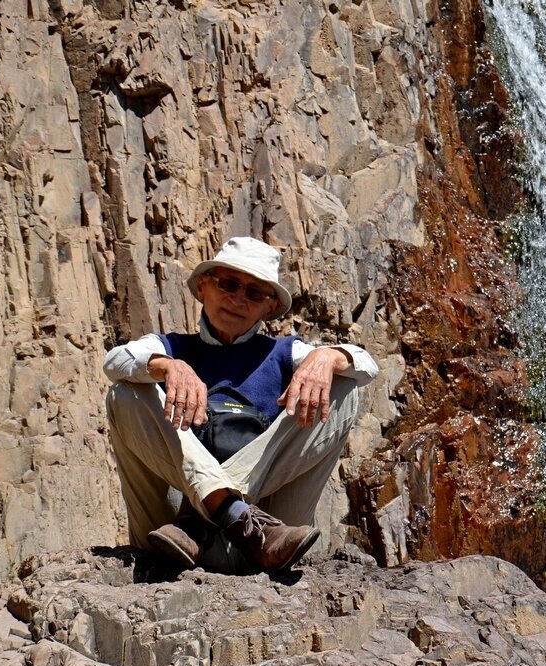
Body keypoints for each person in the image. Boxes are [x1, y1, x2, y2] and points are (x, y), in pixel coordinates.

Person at [103, 237, 379, 573]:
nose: (238, 299)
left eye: (254, 293)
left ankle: (207, 514)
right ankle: (225, 510)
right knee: (125, 391)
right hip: (174, 541)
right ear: (204, 286)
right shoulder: (169, 347)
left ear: (269, 308)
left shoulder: (285, 355)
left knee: (343, 388)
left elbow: (366, 365)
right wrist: (167, 367)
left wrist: (328, 356)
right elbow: (115, 361)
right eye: (229, 284)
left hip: (268, 540)